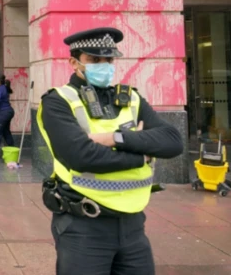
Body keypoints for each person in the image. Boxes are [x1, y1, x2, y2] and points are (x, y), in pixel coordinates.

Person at [36, 27, 183, 275]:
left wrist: (113, 137)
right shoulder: (58, 101)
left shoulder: (132, 98)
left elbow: (172, 141)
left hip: (134, 227)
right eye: (94, 60)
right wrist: (143, 154)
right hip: (83, 226)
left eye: (109, 60)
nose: (104, 66)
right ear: (74, 62)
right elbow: (82, 157)